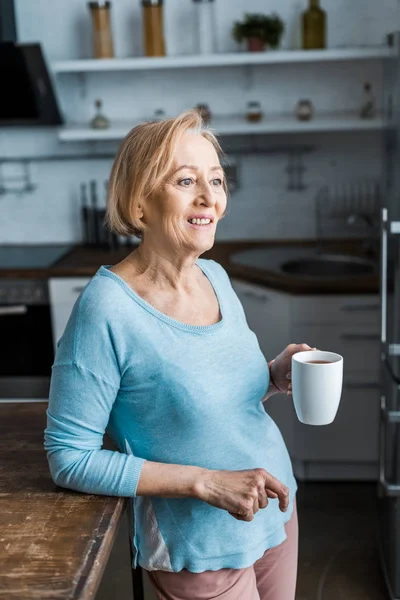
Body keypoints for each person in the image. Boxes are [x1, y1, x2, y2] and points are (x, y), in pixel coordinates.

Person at [44, 109, 315, 600]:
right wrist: (206, 483)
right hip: (199, 547)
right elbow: (69, 458)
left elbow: (219, 396)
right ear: (140, 204)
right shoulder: (105, 309)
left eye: (216, 180)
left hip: (274, 511)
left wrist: (273, 376)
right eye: (186, 180)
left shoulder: (216, 277)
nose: (210, 198)